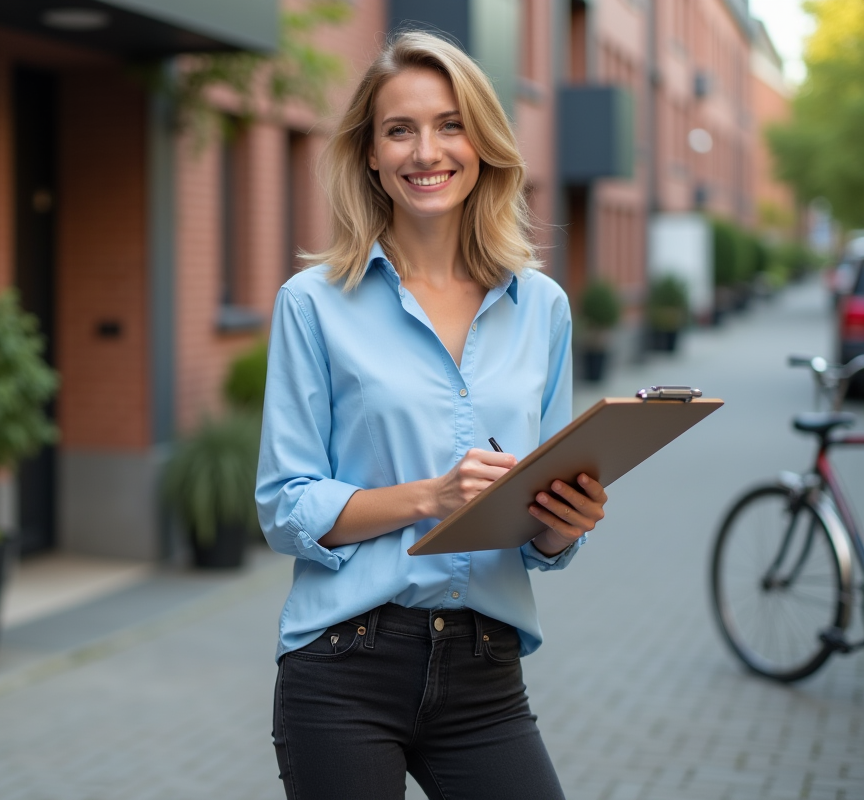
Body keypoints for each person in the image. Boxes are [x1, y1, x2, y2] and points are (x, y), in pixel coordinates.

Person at [256, 31, 608, 800]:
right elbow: (285, 506)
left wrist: (562, 519)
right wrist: (430, 498)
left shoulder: (541, 305)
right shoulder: (312, 304)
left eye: (450, 124)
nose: (427, 150)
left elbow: (540, 531)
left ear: (481, 143)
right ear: (372, 155)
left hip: (486, 669)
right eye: (400, 129)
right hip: (346, 662)